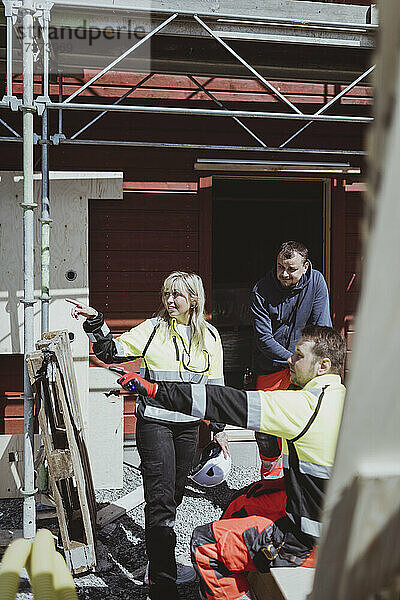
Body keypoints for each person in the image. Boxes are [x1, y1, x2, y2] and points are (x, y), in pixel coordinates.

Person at [118, 325, 346, 600]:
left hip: (311, 544)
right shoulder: (349, 400)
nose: (290, 359)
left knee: (205, 543)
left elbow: (224, 402)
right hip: (341, 529)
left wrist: (155, 390)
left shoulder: (304, 406)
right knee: (244, 501)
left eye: (299, 355)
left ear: (323, 366)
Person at [66, 271, 228, 600]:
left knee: (174, 495)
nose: (169, 300)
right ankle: (162, 584)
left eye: (177, 295)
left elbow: (216, 387)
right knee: (160, 501)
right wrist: (96, 322)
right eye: (166, 294)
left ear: (193, 300)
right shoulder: (152, 330)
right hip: (154, 425)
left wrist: (219, 430)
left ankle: (161, 561)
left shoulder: (210, 336)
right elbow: (111, 353)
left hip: (188, 429)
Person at [250, 241, 332, 480]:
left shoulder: (316, 282)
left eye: (291, 269)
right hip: (271, 363)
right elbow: (263, 338)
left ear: (305, 266)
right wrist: (290, 358)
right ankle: (270, 479)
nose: (284, 273)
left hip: (305, 365)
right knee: (265, 426)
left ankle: (298, 481)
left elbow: (321, 326)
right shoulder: (261, 289)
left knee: (301, 423)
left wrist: (306, 360)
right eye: (280, 267)